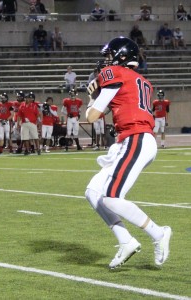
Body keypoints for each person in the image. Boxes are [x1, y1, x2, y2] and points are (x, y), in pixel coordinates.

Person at [85, 36, 172, 269]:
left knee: (112, 197)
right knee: (93, 191)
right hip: (131, 139)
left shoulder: (115, 74)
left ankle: (159, 233)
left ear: (121, 56)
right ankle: (126, 241)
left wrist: (91, 97)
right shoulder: (140, 80)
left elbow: (92, 116)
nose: (105, 62)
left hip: (136, 137)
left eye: (108, 56)